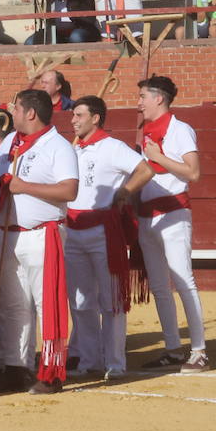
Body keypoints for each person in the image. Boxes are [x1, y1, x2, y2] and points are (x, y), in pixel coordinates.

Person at [0, 89, 79, 395]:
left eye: (15, 109)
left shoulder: (59, 146)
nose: (11, 114)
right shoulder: (10, 143)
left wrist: (23, 186)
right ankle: (17, 366)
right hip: (9, 233)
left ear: (30, 113)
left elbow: (69, 191)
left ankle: (52, 371)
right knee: (12, 306)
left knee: (47, 304)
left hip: (43, 233)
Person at [65, 96, 153, 381]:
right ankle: (90, 360)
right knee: (80, 300)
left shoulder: (113, 147)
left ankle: (115, 362)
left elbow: (145, 170)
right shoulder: (73, 149)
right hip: (73, 228)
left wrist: (124, 192)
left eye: (79, 115)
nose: (73, 119)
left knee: (111, 300)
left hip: (103, 229)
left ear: (96, 118)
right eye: (73, 115)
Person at [135, 76, 209, 373]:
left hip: (174, 213)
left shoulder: (180, 129)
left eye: (142, 96)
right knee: (159, 286)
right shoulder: (147, 130)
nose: (138, 102)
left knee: (183, 280)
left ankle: (200, 350)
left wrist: (158, 157)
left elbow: (193, 173)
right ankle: (173, 348)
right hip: (147, 215)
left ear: (158, 98)